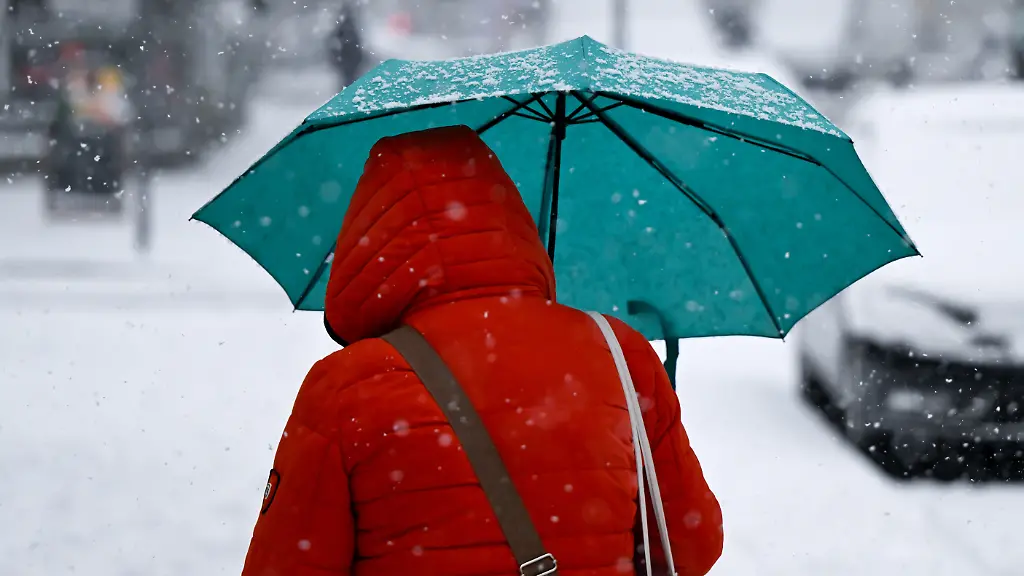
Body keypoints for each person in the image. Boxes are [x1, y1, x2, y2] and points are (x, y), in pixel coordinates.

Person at [240, 125, 723, 576]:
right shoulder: (621, 355)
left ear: (369, 245)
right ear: (510, 220)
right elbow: (690, 546)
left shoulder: (345, 388)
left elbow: (284, 564)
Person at [326, 0, 365, 91]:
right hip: (349, 61)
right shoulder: (349, 29)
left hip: (347, 62)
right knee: (350, 83)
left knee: (347, 83)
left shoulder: (342, 29)